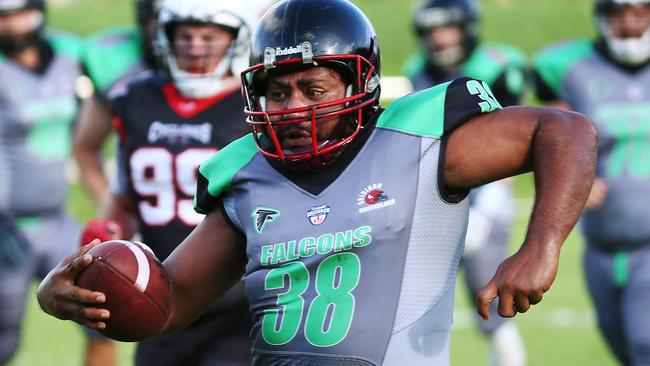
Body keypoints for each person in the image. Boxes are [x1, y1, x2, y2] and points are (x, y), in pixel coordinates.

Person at [37, 0, 597, 365]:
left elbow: (564, 130)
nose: (293, 108)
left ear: (361, 82)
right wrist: (68, 297)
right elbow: (169, 304)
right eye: (278, 93)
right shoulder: (244, 172)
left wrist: (540, 247)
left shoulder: (418, 140)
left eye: (314, 89)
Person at [78, 0, 255, 365]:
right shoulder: (134, 97)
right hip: (159, 292)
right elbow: (125, 195)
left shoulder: (253, 102)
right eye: (185, 36)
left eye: (209, 36)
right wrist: (106, 231)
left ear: (235, 40)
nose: (195, 46)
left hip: (237, 300)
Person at [402, 1, 527, 365]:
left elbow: (511, 143)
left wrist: (489, 208)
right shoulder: (417, 69)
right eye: (431, 31)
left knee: (490, 302)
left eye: (448, 29)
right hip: (437, 197)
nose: (439, 39)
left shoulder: (498, 64)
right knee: (417, 304)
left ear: (467, 28)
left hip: (488, 191)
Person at [532, 1, 650, 365]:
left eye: (640, 13)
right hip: (599, 244)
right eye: (619, 14)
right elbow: (556, 137)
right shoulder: (566, 66)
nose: (630, 25)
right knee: (623, 348)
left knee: (644, 341)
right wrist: (574, 177)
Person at [0, 0, 86, 364]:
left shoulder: (70, 55)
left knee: (107, 310)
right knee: (4, 336)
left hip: (57, 219)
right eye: (4, 16)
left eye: (19, 13)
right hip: (7, 226)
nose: (14, 24)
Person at [74, 0, 161, 205]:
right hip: (150, 224)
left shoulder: (236, 76)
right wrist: (114, 213)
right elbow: (86, 148)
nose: (194, 47)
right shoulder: (122, 70)